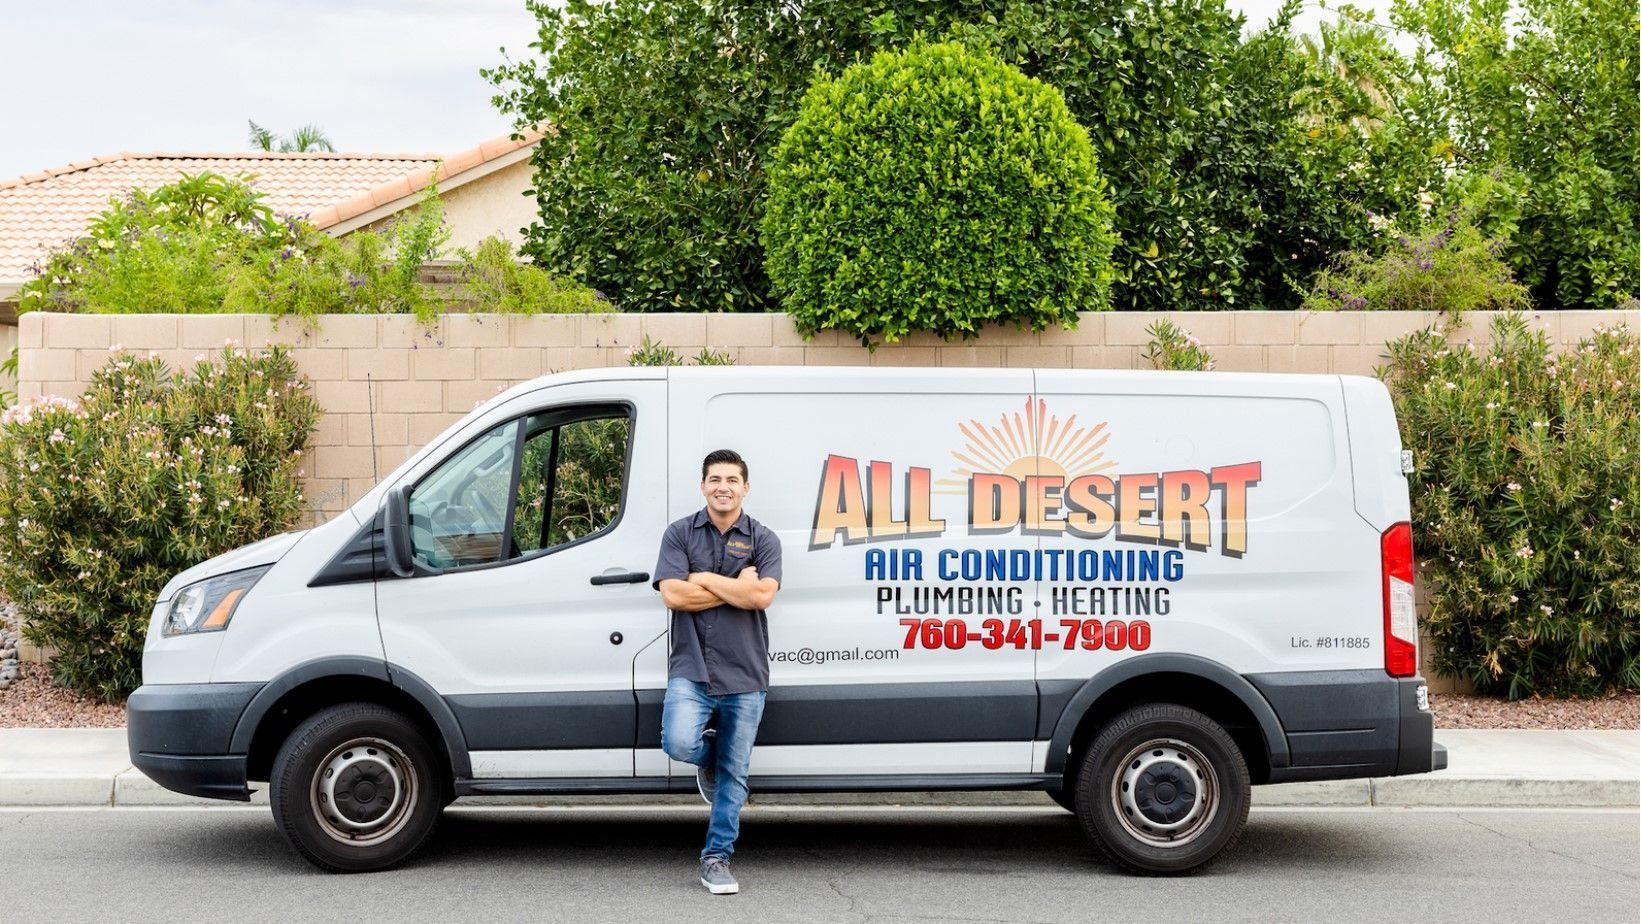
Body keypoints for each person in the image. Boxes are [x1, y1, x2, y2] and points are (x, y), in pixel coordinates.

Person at [652, 449, 783, 895]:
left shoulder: (764, 539)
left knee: (736, 773)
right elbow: (673, 596)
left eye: (731, 479)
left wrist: (701, 578)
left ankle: (716, 857)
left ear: (745, 487)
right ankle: (707, 758)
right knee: (678, 741)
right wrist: (734, 586)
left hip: (745, 672)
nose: (722, 486)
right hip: (691, 668)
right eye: (714, 479)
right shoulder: (679, 533)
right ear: (703, 485)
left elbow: (762, 597)